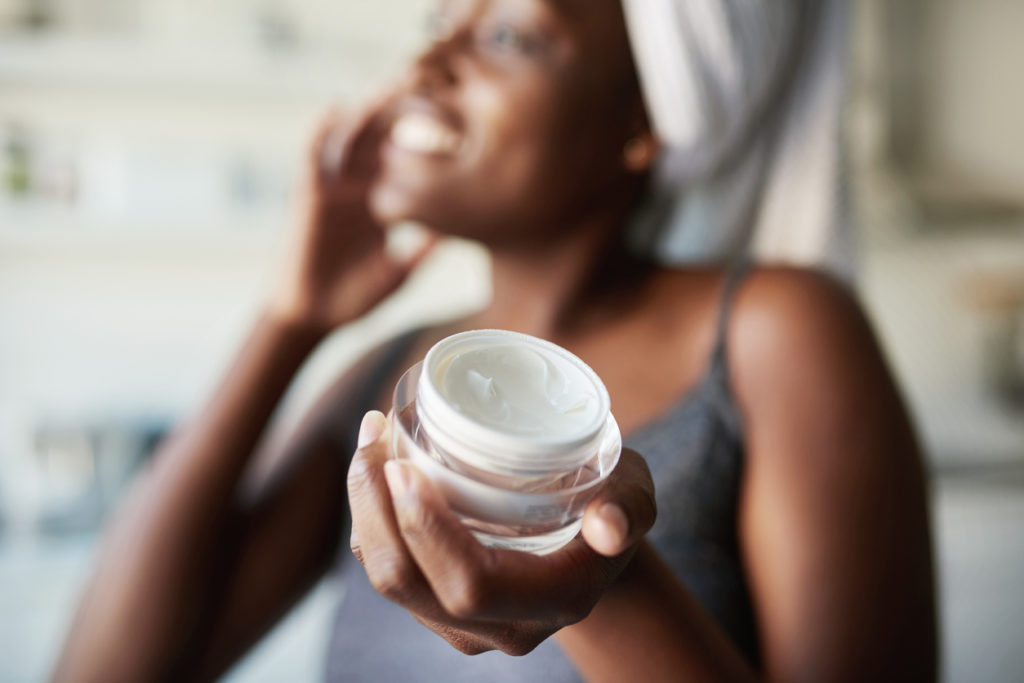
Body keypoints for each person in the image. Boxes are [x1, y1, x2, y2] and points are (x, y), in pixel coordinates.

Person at [53, 1, 936, 681]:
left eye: (508, 36)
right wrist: (291, 319)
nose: (432, 61)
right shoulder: (394, 366)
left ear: (645, 122)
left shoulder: (776, 332)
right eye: (445, 20)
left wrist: (606, 583)